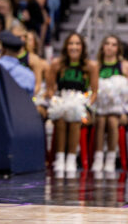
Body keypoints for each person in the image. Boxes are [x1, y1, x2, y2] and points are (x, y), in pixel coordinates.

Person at [46, 33, 98, 175]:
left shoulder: (91, 66)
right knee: (62, 118)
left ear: (82, 47)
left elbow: (94, 92)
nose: (74, 47)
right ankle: (60, 158)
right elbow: (50, 89)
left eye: (77, 44)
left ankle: (71, 158)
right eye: (71, 43)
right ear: (66, 46)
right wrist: (55, 101)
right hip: (62, 104)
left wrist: (84, 105)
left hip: (83, 109)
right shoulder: (57, 64)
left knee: (75, 119)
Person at [92, 35, 128, 173]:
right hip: (100, 108)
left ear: (118, 48)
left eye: (113, 44)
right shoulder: (96, 66)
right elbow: (92, 90)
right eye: (107, 43)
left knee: (112, 121)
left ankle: (111, 159)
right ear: (102, 47)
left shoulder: (124, 66)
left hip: (120, 109)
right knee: (101, 120)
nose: (110, 47)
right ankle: (98, 157)